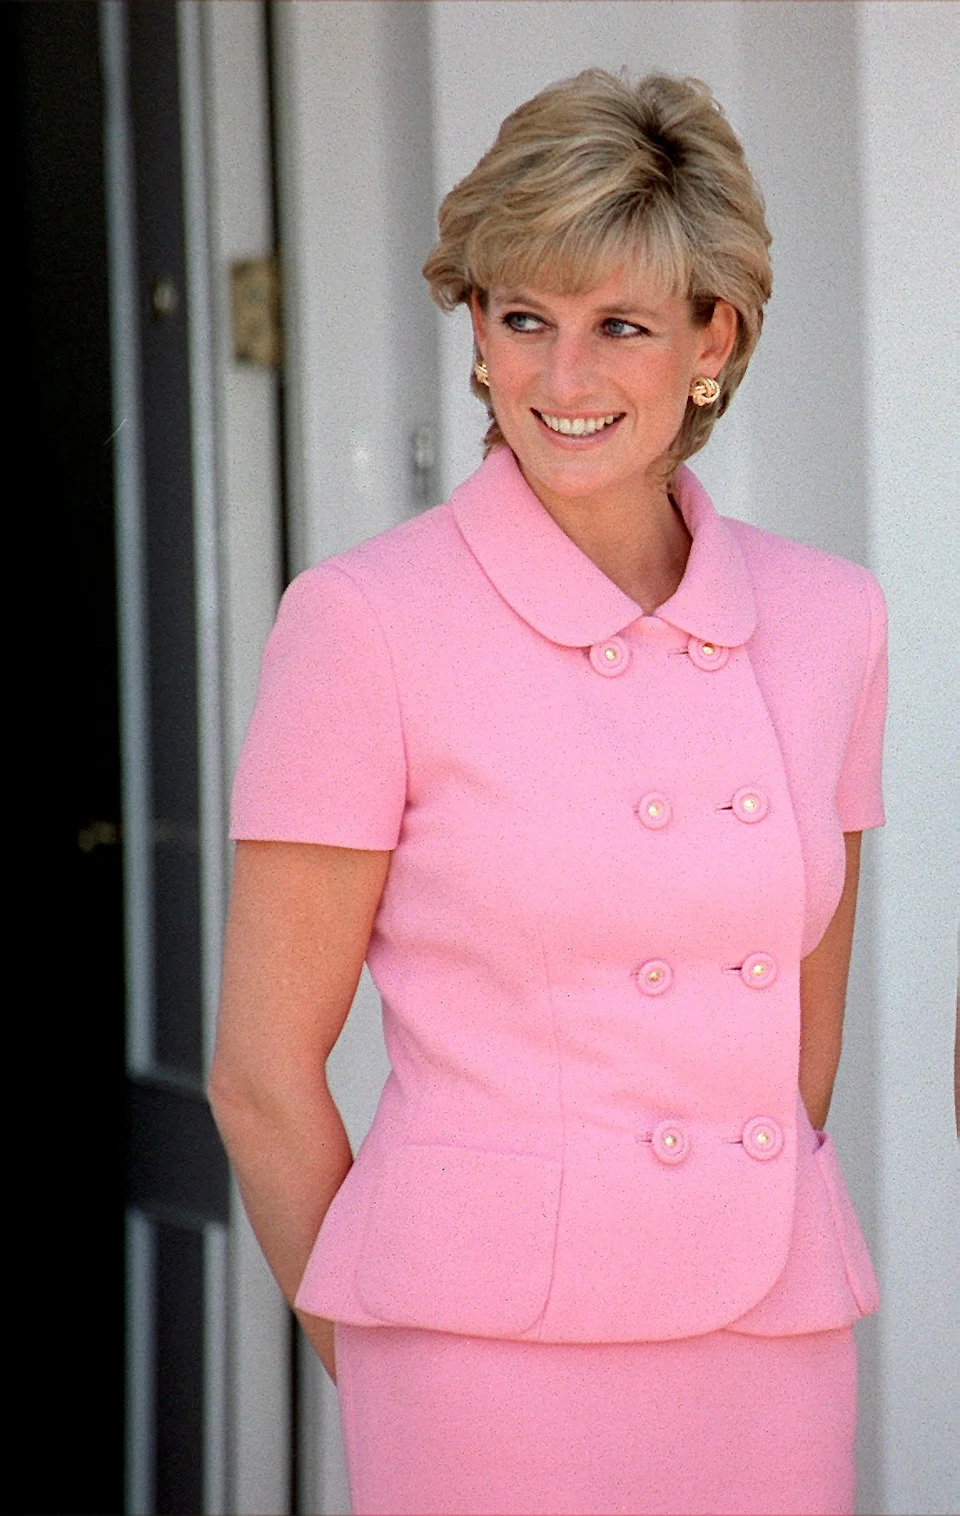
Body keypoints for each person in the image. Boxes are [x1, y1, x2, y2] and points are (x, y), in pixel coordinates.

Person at [210, 69, 887, 1516]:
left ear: (715, 336)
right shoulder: (364, 624)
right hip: (478, 1363)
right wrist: (386, 1352)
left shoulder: (833, 621)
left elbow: (796, 1044)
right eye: (523, 319)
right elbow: (261, 1078)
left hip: (767, 1332)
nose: (560, 382)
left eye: (619, 327)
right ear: (477, 329)